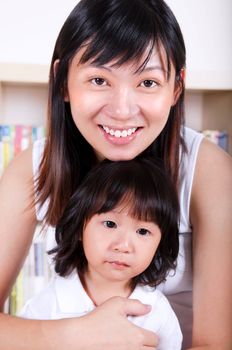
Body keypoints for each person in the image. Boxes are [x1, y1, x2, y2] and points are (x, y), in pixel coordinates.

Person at [0, 0, 231, 349]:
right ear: (62, 81)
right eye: (98, 79)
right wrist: (74, 335)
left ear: (177, 87)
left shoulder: (210, 173)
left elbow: (215, 344)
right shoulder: (33, 167)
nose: (122, 110)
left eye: (148, 82)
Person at [19, 158, 182, 350]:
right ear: (80, 227)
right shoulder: (46, 304)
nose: (123, 246)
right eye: (110, 224)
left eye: (143, 232)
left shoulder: (158, 312)